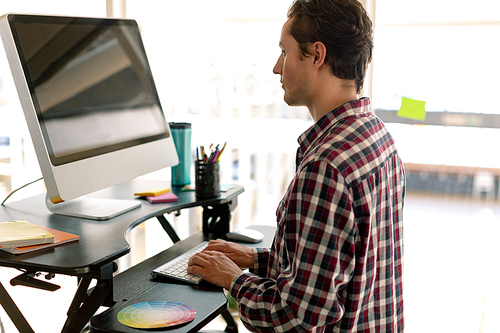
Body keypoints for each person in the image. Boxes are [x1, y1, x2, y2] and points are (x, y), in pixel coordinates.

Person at [188, 0, 406, 331]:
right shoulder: (376, 136)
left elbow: (295, 319)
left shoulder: (326, 166)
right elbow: (334, 268)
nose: (277, 67)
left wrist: (234, 279)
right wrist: (255, 259)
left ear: (317, 56)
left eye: (285, 52)